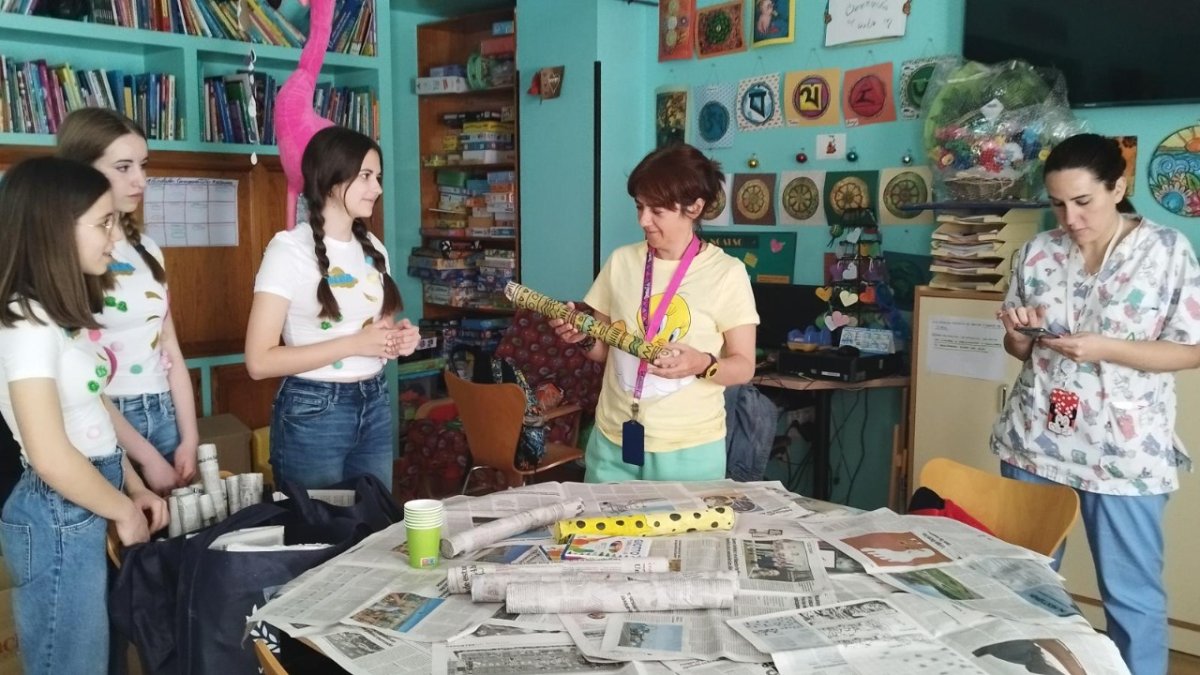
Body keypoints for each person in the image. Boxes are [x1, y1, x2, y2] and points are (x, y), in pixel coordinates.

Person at [991, 133, 1200, 675]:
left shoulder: (1166, 251)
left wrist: (1106, 348)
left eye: (1083, 201)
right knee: (1026, 585)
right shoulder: (1037, 253)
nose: (1070, 217)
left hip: (1124, 450)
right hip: (1036, 441)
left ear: (1118, 187)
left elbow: (1191, 349)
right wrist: (1019, 332)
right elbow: (1019, 351)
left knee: (1132, 596)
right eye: (1058, 204)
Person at [0, 156, 169, 672]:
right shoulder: (24, 324)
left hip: (89, 495)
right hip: (58, 510)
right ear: (53, 230)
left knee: (102, 658)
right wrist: (119, 508)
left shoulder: (59, 317)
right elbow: (50, 455)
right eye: (103, 223)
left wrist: (134, 487)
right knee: (73, 663)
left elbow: (91, 417)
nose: (115, 237)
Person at [551, 143, 758, 482]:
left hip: (688, 448)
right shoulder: (621, 262)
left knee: (682, 537)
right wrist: (583, 338)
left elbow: (743, 367)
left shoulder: (727, 273)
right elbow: (605, 352)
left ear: (695, 207)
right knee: (601, 535)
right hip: (613, 440)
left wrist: (703, 364)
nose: (643, 220)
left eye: (657, 211)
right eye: (639, 207)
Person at [245, 126, 420, 490]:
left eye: (379, 177)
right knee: (320, 535)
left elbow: (379, 331)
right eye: (366, 177)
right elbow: (259, 362)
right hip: (313, 408)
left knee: (374, 528)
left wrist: (398, 340)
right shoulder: (287, 250)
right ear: (330, 179)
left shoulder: (373, 246)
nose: (378, 189)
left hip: (374, 399)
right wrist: (354, 345)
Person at [57, 107, 200, 495]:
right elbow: (82, 385)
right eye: (123, 167)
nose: (141, 180)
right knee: (126, 543)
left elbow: (169, 347)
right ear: (82, 170)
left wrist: (189, 438)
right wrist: (147, 458)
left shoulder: (147, 247)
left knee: (177, 543)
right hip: (106, 417)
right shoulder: (70, 255)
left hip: (163, 408)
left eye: (143, 164)